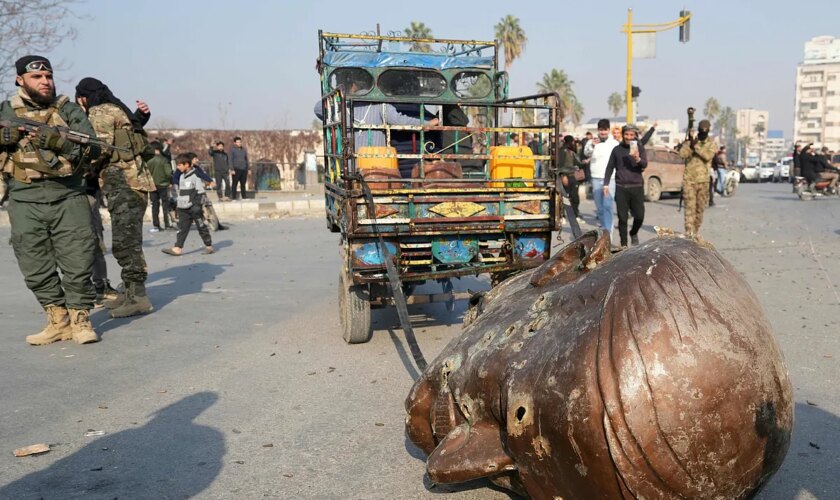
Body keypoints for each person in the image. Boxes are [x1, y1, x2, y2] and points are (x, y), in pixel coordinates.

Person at [0, 56, 100, 344]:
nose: (45, 82)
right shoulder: (7, 110)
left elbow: (93, 150)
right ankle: (58, 319)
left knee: (78, 257)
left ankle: (81, 319)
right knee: (33, 259)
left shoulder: (67, 109)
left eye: (49, 76)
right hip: (24, 196)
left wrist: (55, 141)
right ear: (20, 80)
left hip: (68, 194)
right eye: (37, 77)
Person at [75, 77, 156, 319]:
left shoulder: (99, 111)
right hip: (131, 183)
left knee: (126, 243)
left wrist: (77, 168)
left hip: (124, 183)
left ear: (83, 97)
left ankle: (138, 298)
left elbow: (100, 149)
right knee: (127, 239)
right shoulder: (116, 109)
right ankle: (129, 292)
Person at [604, 124, 648, 248]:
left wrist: (638, 159)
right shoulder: (616, 150)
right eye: (626, 134)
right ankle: (624, 245)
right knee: (622, 218)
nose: (629, 137)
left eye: (631, 135)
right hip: (621, 187)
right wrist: (606, 184)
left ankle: (633, 232)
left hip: (637, 186)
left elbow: (645, 164)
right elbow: (610, 167)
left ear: (635, 136)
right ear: (623, 135)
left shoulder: (639, 148)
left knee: (639, 216)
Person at [162, 153, 214, 256]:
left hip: (193, 207)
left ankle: (208, 246)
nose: (178, 167)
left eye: (180, 165)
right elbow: (181, 191)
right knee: (182, 228)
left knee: (201, 226)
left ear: (187, 164)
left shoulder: (195, 176)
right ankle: (177, 248)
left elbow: (200, 192)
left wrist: (197, 206)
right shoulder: (181, 176)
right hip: (183, 207)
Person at [678, 119, 717, 238]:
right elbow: (682, 154)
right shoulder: (691, 142)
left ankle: (695, 229)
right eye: (702, 129)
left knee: (700, 209)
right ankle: (689, 233)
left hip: (704, 181)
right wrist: (690, 145)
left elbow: (708, 156)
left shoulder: (711, 143)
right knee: (689, 209)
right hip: (689, 180)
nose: (703, 131)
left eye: (706, 129)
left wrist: (696, 147)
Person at [584, 119, 619, 240]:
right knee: (599, 207)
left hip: (610, 179)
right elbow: (586, 154)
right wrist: (593, 145)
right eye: (601, 130)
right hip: (596, 178)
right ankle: (604, 230)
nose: (603, 132)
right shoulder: (591, 142)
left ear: (608, 130)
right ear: (598, 130)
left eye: (605, 130)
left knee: (608, 206)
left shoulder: (614, 143)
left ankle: (609, 234)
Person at [146, 140, 173, 232]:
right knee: (165, 205)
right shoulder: (164, 160)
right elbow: (169, 173)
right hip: (163, 185)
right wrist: (170, 181)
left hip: (152, 186)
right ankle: (167, 224)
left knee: (154, 205)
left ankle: (156, 225)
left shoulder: (148, 161)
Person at [556, 135, 583, 222]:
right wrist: (563, 175)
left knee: (575, 197)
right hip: (565, 177)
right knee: (564, 197)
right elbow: (559, 165)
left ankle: (575, 214)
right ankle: (562, 216)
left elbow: (577, 163)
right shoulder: (562, 151)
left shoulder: (572, 151)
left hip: (573, 176)